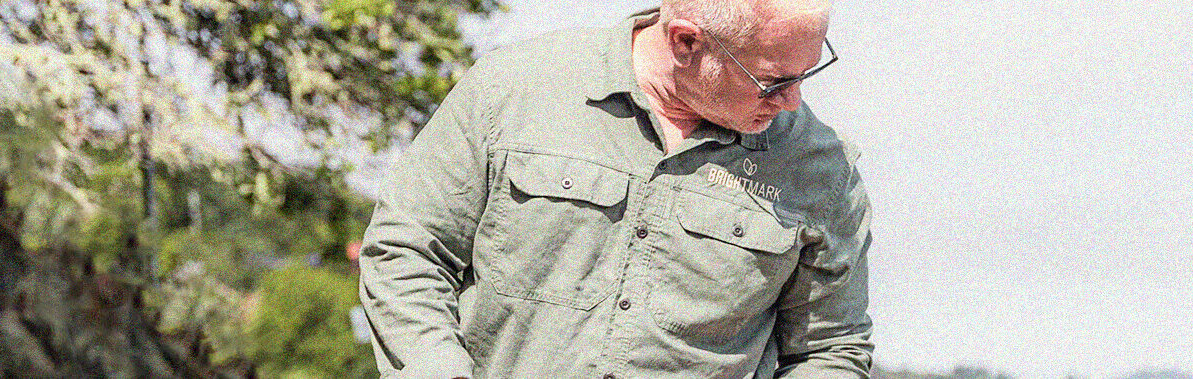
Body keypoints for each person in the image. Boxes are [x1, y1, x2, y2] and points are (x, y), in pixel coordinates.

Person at [357, 0, 874, 377]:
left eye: (807, 72)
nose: (791, 102)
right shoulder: (514, 89)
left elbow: (831, 349)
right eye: (772, 82)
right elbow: (407, 252)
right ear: (685, 42)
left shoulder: (819, 167)